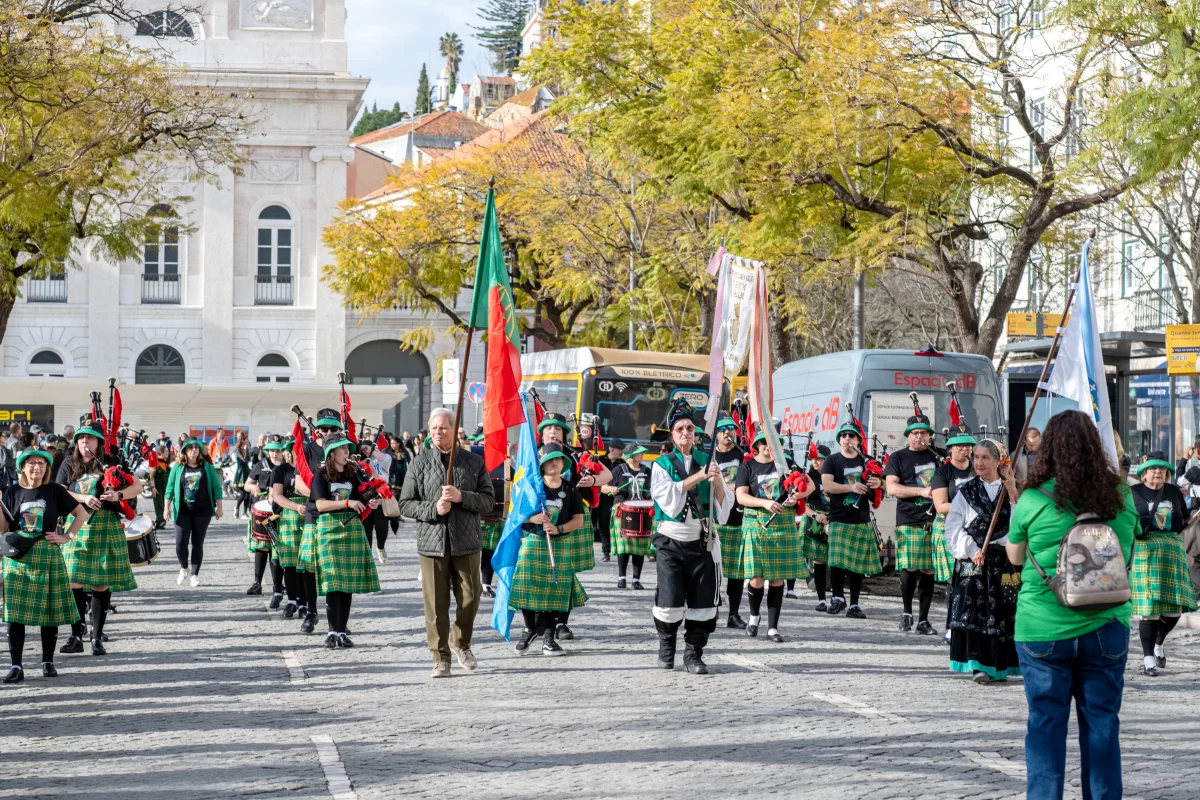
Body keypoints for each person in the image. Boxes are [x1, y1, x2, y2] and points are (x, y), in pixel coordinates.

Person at [1006, 410, 1139, 800]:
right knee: (1101, 725)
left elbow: (1015, 557)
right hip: (1106, 624)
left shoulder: (1032, 498)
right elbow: (1128, 549)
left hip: (1043, 627)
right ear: (1095, 447)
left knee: (1045, 724)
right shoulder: (1122, 495)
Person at [398, 408, 494, 678]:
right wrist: (433, 508)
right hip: (432, 543)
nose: (438, 432)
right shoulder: (419, 463)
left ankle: (460, 642)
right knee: (436, 605)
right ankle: (440, 657)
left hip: (466, 542)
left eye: (443, 427)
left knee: (470, 598)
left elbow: (488, 500)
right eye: (434, 429)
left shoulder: (473, 462)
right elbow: (405, 504)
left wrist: (462, 496)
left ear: (454, 429)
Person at [649, 399, 733, 675]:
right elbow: (669, 499)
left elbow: (723, 508)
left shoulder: (708, 461)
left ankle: (693, 653)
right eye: (680, 429)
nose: (686, 432)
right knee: (669, 600)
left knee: (703, 601)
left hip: (702, 540)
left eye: (689, 428)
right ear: (672, 434)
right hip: (671, 541)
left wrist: (718, 479)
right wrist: (699, 477)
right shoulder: (661, 465)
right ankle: (666, 646)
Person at [56, 416, 142, 656]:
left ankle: (96, 637)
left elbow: (137, 487)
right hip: (78, 524)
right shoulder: (68, 463)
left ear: (99, 442)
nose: (85, 442)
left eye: (90, 438)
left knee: (100, 583)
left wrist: (118, 496)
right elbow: (60, 491)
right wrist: (84, 499)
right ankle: (76, 633)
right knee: (73, 579)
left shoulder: (112, 461)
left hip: (105, 525)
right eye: (81, 438)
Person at [0, 449, 88, 682]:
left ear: (47, 468)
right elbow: (2, 526)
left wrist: (66, 536)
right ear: (23, 467)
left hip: (47, 553)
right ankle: (16, 666)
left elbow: (81, 513)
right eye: (31, 463)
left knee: (49, 613)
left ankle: (47, 662)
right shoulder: (12, 491)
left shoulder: (55, 491)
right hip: (18, 556)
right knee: (14, 615)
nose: (36, 467)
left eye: (41, 463)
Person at [944, 439, 1021, 683]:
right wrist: (972, 548)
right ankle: (978, 665)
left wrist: (1012, 494)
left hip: (1002, 562)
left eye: (985, 457)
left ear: (999, 462)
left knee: (1002, 611)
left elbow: (1019, 525)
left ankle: (1000, 667)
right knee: (973, 612)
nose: (978, 462)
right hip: (973, 561)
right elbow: (954, 526)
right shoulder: (966, 492)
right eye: (976, 457)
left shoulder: (1010, 490)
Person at [537, 412, 610, 641]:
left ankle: (561, 623)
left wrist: (593, 481)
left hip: (571, 519)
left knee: (565, 573)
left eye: (557, 429)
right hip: (541, 522)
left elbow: (606, 474)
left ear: (564, 434)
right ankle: (539, 621)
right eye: (548, 429)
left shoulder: (577, 455)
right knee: (541, 573)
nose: (552, 432)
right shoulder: (531, 453)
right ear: (541, 434)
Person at [305, 432, 382, 649]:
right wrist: (347, 503)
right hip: (329, 529)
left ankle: (341, 631)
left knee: (346, 584)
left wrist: (370, 503)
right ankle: (331, 631)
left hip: (351, 530)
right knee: (332, 582)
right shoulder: (320, 475)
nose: (347, 451)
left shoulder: (354, 473)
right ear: (331, 453)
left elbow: (362, 499)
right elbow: (320, 505)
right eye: (342, 448)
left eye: (347, 448)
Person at [735, 430, 813, 642]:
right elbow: (741, 496)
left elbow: (810, 486)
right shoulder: (747, 466)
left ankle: (772, 628)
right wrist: (765, 503)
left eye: (774, 444)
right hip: (756, 523)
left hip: (783, 524)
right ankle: (753, 616)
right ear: (758, 445)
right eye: (766, 444)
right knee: (756, 578)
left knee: (777, 579)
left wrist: (795, 496)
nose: (770, 448)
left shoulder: (787, 465)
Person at [510, 445, 586, 655]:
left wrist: (558, 528)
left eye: (558, 460)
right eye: (549, 460)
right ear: (541, 465)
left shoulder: (570, 488)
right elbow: (515, 514)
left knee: (556, 590)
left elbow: (578, 520)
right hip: (533, 541)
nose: (554, 463)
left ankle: (548, 638)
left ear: (563, 463)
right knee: (527, 585)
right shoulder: (531, 486)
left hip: (560, 544)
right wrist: (532, 518)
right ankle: (529, 628)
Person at [1129, 452, 1198, 676]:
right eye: (1152, 469)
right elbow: (1126, 521)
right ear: (1143, 473)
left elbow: (1183, 519)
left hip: (1172, 550)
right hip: (1145, 550)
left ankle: (1159, 642)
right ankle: (1148, 657)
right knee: (1149, 610)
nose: (1157, 472)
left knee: (1174, 610)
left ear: (1167, 473)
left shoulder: (1173, 492)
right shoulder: (1134, 493)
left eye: (1162, 469)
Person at [883, 413, 940, 634]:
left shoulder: (938, 456)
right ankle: (907, 611)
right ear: (908, 435)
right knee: (909, 566)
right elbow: (892, 488)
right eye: (915, 433)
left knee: (928, 569)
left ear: (929, 435)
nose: (919, 437)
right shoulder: (897, 458)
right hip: (909, 518)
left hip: (934, 519)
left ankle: (923, 620)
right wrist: (922, 491)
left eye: (923, 433)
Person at [821, 419, 883, 618]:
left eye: (852, 435)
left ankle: (854, 604)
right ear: (839, 439)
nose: (847, 438)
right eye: (844, 435)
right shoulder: (833, 460)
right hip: (839, 517)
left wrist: (878, 482)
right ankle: (838, 597)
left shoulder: (866, 462)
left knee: (858, 566)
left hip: (861, 518)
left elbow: (883, 487)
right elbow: (828, 486)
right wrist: (851, 487)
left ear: (858, 439)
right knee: (837, 562)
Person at [294, 409, 347, 635]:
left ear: (339, 430)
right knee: (309, 567)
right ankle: (312, 610)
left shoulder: (345, 449)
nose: (327, 432)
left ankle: (337, 620)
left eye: (332, 428)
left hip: (340, 517)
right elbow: (298, 483)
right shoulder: (307, 449)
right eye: (323, 428)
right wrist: (319, 495)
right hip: (315, 515)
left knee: (337, 569)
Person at [164, 440, 224, 588]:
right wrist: (166, 508)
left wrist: (220, 508)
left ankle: (194, 575)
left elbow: (217, 488)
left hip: (202, 512)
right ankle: (184, 568)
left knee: (197, 544)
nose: (194, 450)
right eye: (190, 448)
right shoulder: (178, 467)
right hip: (182, 511)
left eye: (197, 448)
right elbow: (169, 488)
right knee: (180, 544)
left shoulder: (207, 467)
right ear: (185, 451)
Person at [711, 417, 748, 625]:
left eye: (731, 429)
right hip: (715, 520)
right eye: (723, 429)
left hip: (738, 518)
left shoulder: (742, 455)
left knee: (737, 571)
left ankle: (733, 614)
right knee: (713, 570)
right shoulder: (709, 454)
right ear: (716, 433)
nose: (728, 432)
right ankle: (712, 610)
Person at [243, 435, 286, 603]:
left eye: (277, 451)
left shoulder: (286, 468)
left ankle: (278, 585)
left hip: (280, 512)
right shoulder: (261, 465)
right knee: (262, 549)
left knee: (278, 550)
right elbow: (247, 484)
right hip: (261, 512)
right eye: (271, 451)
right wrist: (253, 487)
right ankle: (257, 583)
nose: (274, 454)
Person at [608, 444, 654, 589]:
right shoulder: (618, 470)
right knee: (624, 546)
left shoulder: (647, 471)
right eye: (640, 453)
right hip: (623, 510)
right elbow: (602, 487)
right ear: (631, 455)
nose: (643, 455)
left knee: (639, 547)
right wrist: (611, 488)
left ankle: (636, 580)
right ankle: (621, 578)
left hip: (643, 511)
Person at [270, 439, 306, 619]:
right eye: (294, 450)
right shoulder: (280, 470)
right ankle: (292, 600)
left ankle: (304, 603)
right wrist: (295, 506)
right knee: (290, 563)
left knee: (306, 563)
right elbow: (277, 496)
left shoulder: (309, 469)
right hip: (290, 515)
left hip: (308, 514)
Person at [800, 444, 832, 611]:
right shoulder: (808, 478)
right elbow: (801, 505)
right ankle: (821, 600)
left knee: (836, 562)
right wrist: (816, 515)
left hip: (834, 520)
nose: (816, 462)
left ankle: (837, 598)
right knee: (819, 562)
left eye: (819, 458)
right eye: (813, 459)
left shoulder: (835, 476)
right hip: (815, 522)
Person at [356, 439, 391, 566]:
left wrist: (372, 452)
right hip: (366, 501)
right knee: (367, 530)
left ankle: (380, 547)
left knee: (382, 530)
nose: (365, 451)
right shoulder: (358, 462)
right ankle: (368, 558)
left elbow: (378, 480)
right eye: (363, 449)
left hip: (381, 501)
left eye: (367, 448)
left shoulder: (382, 460)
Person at [593, 438, 625, 562]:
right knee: (603, 524)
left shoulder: (622, 463)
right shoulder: (599, 460)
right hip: (601, 497)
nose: (622, 451)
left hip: (618, 497)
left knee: (618, 525)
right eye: (620, 449)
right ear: (612, 449)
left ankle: (618, 551)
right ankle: (606, 552)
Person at [150, 445, 170, 530]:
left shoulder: (165, 463)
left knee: (163, 503)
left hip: (164, 487)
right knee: (158, 504)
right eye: (166, 451)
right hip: (157, 487)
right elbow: (151, 476)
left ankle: (160, 521)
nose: (168, 453)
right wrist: (153, 487)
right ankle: (159, 520)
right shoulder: (156, 462)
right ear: (161, 452)